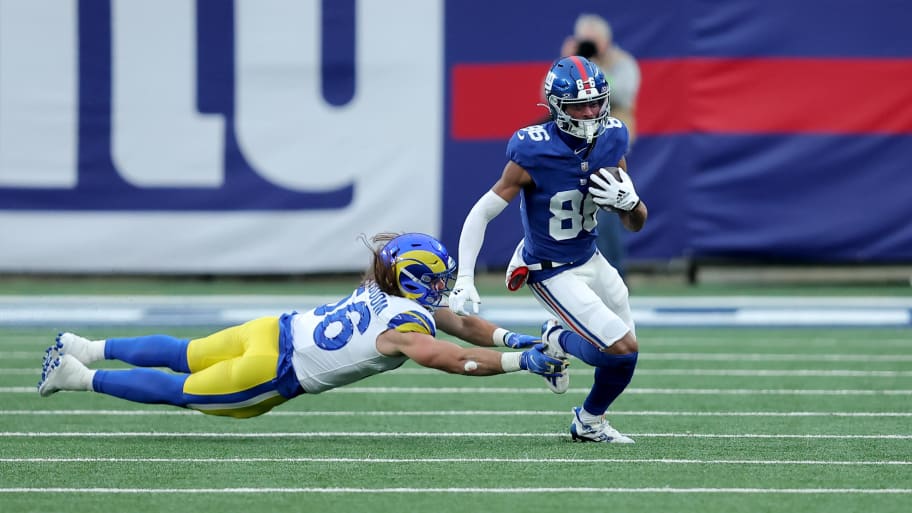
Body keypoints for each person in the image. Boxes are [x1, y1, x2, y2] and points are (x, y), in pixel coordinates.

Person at [37, 232, 568, 418]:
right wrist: (519, 361)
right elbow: (443, 354)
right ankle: (77, 376)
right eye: (436, 279)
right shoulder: (406, 325)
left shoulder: (379, 285)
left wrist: (508, 338)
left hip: (271, 330)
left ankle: (87, 345)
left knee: (184, 350)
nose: (443, 287)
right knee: (183, 390)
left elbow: (458, 323)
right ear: (411, 282)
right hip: (277, 369)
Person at [449, 56, 647, 443]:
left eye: (596, 103)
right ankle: (559, 347)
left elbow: (636, 221)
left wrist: (630, 203)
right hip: (548, 267)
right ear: (556, 106)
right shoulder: (532, 149)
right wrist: (465, 278)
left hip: (589, 256)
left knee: (626, 349)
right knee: (621, 351)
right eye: (579, 105)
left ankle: (589, 419)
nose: (590, 113)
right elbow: (481, 212)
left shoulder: (612, 138)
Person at [561, 13, 641, 279]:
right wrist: (567, 64)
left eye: (592, 42)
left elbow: (623, 93)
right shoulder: (570, 65)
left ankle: (615, 275)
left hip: (607, 146)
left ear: (605, 41)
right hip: (574, 146)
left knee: (607, 210)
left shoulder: (622, 63)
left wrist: (590, 69)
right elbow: (546, 95)